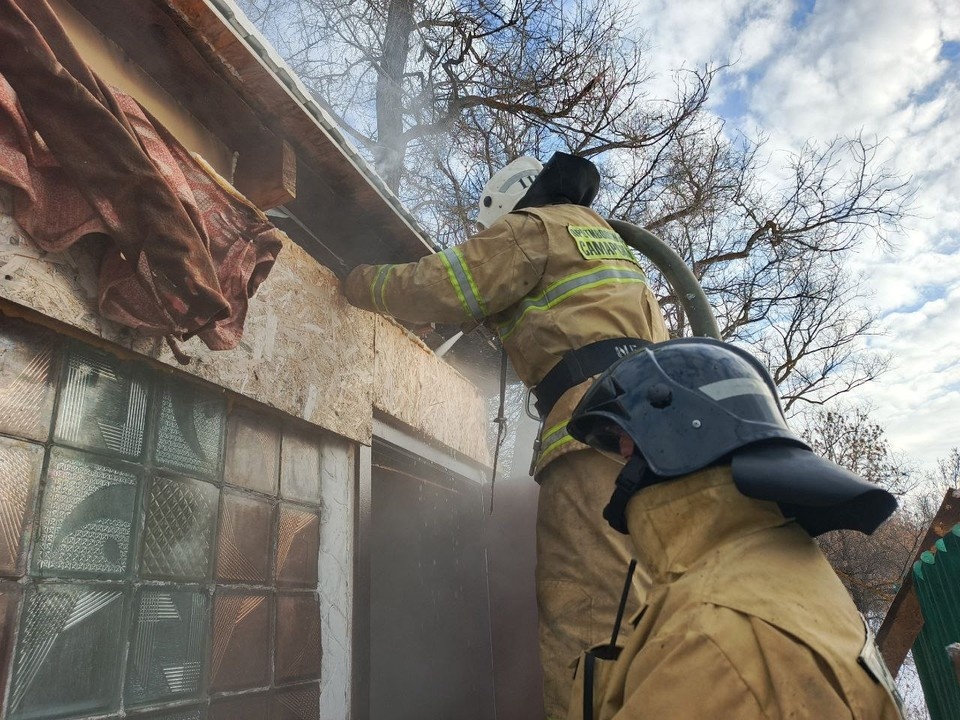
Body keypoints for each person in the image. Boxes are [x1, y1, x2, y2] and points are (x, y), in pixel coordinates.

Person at [343, 152, 670, 716]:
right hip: (658, 440)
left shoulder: (531, 227)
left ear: (512, 206)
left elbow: (439, 284)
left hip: (596, 429)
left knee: (587, 614)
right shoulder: (608, 246)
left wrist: (358, 284)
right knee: (637, 609)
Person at [563, 337, 905, 720]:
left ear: (676, 441)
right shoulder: (776, 567)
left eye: (625, 445)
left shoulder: (714, 638)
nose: (622, 462)